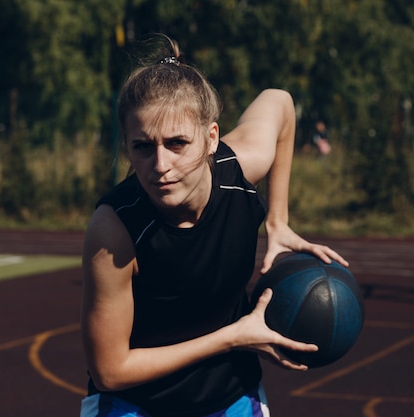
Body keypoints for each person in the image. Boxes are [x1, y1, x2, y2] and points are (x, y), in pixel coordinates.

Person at [79, 35, 348, 417]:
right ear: (127, 145)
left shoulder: (239, 173)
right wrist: (230, 338)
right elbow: (110, 371)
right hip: (134, 404)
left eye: (177, 143)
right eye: (142, 146)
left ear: (211, 139)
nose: (160, 165)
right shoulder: (115, 230)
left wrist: (278, 220)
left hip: (230, 398)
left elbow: (280, 102)